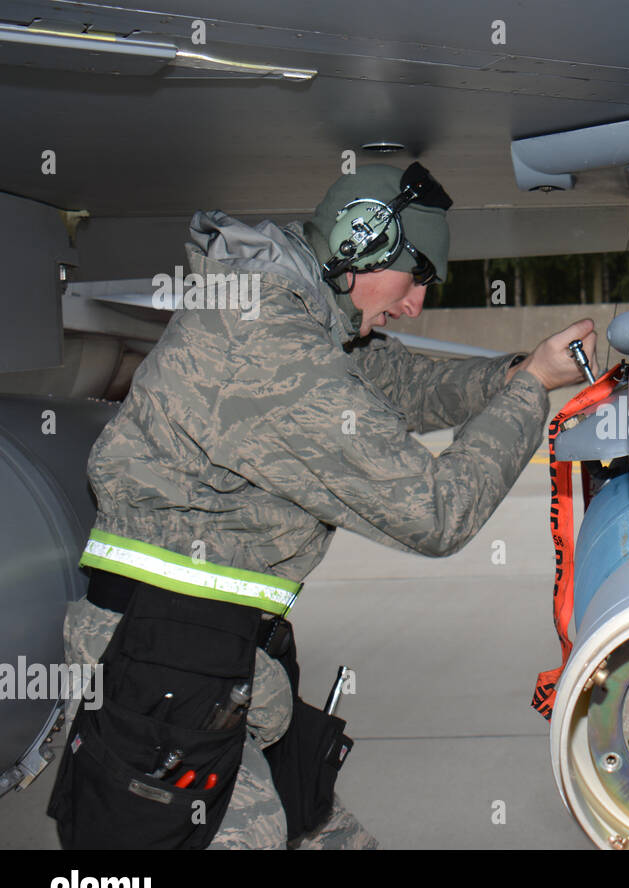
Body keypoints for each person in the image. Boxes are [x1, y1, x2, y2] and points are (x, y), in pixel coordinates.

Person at [48, 162, 595, 849]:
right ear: (358, 242)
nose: (416, 303)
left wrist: (511, 376)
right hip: (163, 672)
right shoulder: (269, 345)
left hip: (218, 662)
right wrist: (532, 391)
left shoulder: (288, 314)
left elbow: (391, 379)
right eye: (416, 275)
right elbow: (434, 513)